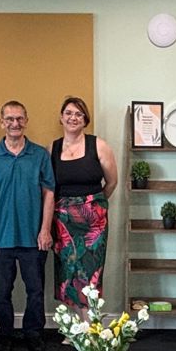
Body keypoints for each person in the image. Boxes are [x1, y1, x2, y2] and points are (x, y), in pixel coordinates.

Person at [0, 100, 55, 351]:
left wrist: (45, 229)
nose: (15, 123)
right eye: (9, 119)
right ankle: (5, 334)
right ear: (1, 122)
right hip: (1, 239)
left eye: (19, 118)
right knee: (1, 293)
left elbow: (49, 193)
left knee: (35, 291)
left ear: (26, 121)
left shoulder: (40, 155)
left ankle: (34, 333)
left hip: (34, 238)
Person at [51, 95, 118, 313]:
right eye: (69, 113)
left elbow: (112, 182)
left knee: (90, 273)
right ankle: (74, 331)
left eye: (78, 114)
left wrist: (94, 205)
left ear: (85, 119)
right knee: (67, 271)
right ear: (61, 118)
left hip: (93, 223)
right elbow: (48, 189)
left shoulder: (98, 145)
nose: (73, 118)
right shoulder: (51, 149)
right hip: (62, 222)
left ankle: (90, 330)